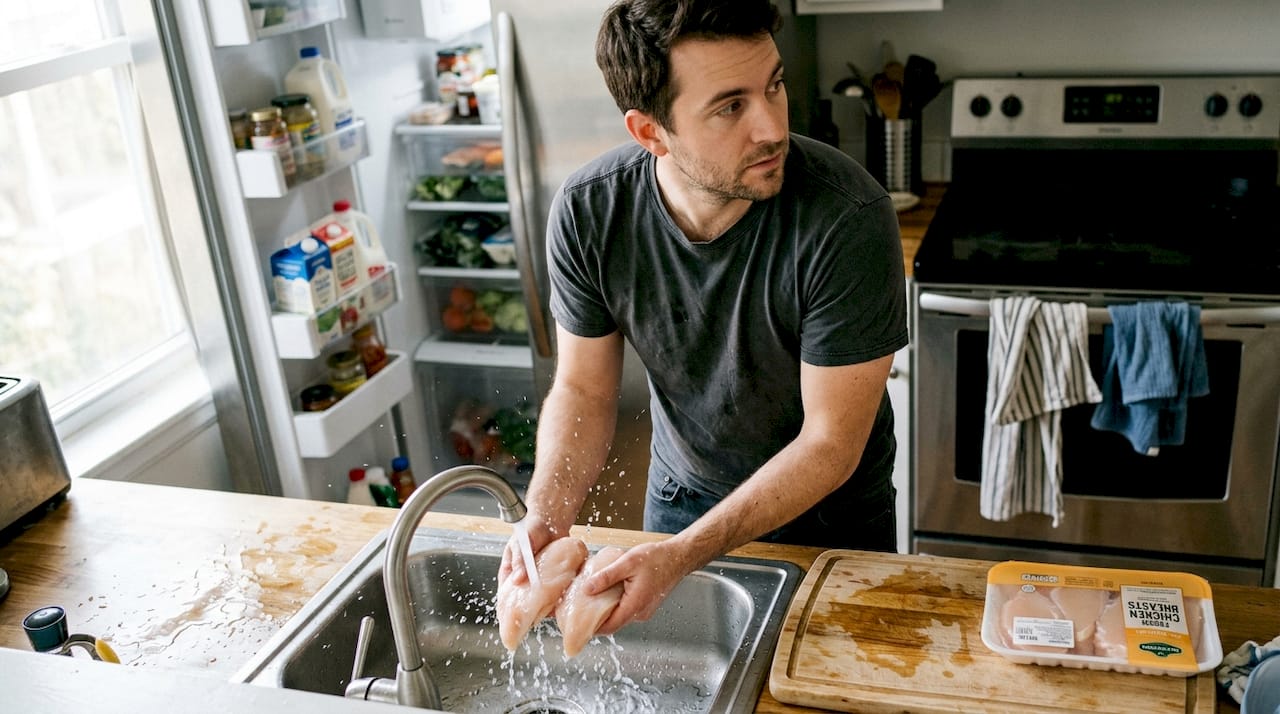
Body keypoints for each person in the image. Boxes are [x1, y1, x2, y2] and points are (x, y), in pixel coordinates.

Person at [499, 0, 907, 638]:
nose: (771, 127)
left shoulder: (847, 218)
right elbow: (583, 388)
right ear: (650, 132)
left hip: (833, 527)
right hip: (680, 504)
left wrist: (685, 553)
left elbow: (830, 444)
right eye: (730, 106)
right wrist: (547, 515)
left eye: (774, 85)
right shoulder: (588, 212)